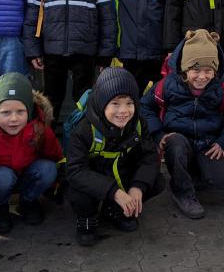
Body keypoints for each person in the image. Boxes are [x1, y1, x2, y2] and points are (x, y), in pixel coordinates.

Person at [141, 29, 224, 219]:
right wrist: (158, 134)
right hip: (178, 140)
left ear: (215, 70)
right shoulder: (167, 84)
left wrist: (223, 142)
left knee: (221, 181)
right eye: (195, 70)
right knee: (176, 145)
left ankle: (193, 173)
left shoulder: (222, 88)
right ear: (185, 69)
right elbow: (145, 107)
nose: (202, 76)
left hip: (208, 142)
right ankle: (182, 192)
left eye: (208, 71)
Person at [66, 68, 165, 246]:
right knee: (79, 192)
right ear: (102, 102)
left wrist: (138, 186)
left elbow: (150, 156)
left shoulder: (138, 123)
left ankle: (114, 210)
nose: (123, 111)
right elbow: (75, 171)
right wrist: (114, 192)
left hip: (121, 173)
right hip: (94, 178)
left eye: (129, 103)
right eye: (115, 103)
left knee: (156, 181)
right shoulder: (83, 129)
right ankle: (87, 216)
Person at [0, 73, 63, 234]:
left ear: (29, 111)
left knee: (48, 169)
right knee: (2, 176)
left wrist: (56, 183)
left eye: (20, 111)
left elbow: (55, 155)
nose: (14, 119)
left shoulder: (39, 129)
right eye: (6, 112)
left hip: (27, 176)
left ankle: (28, 201)